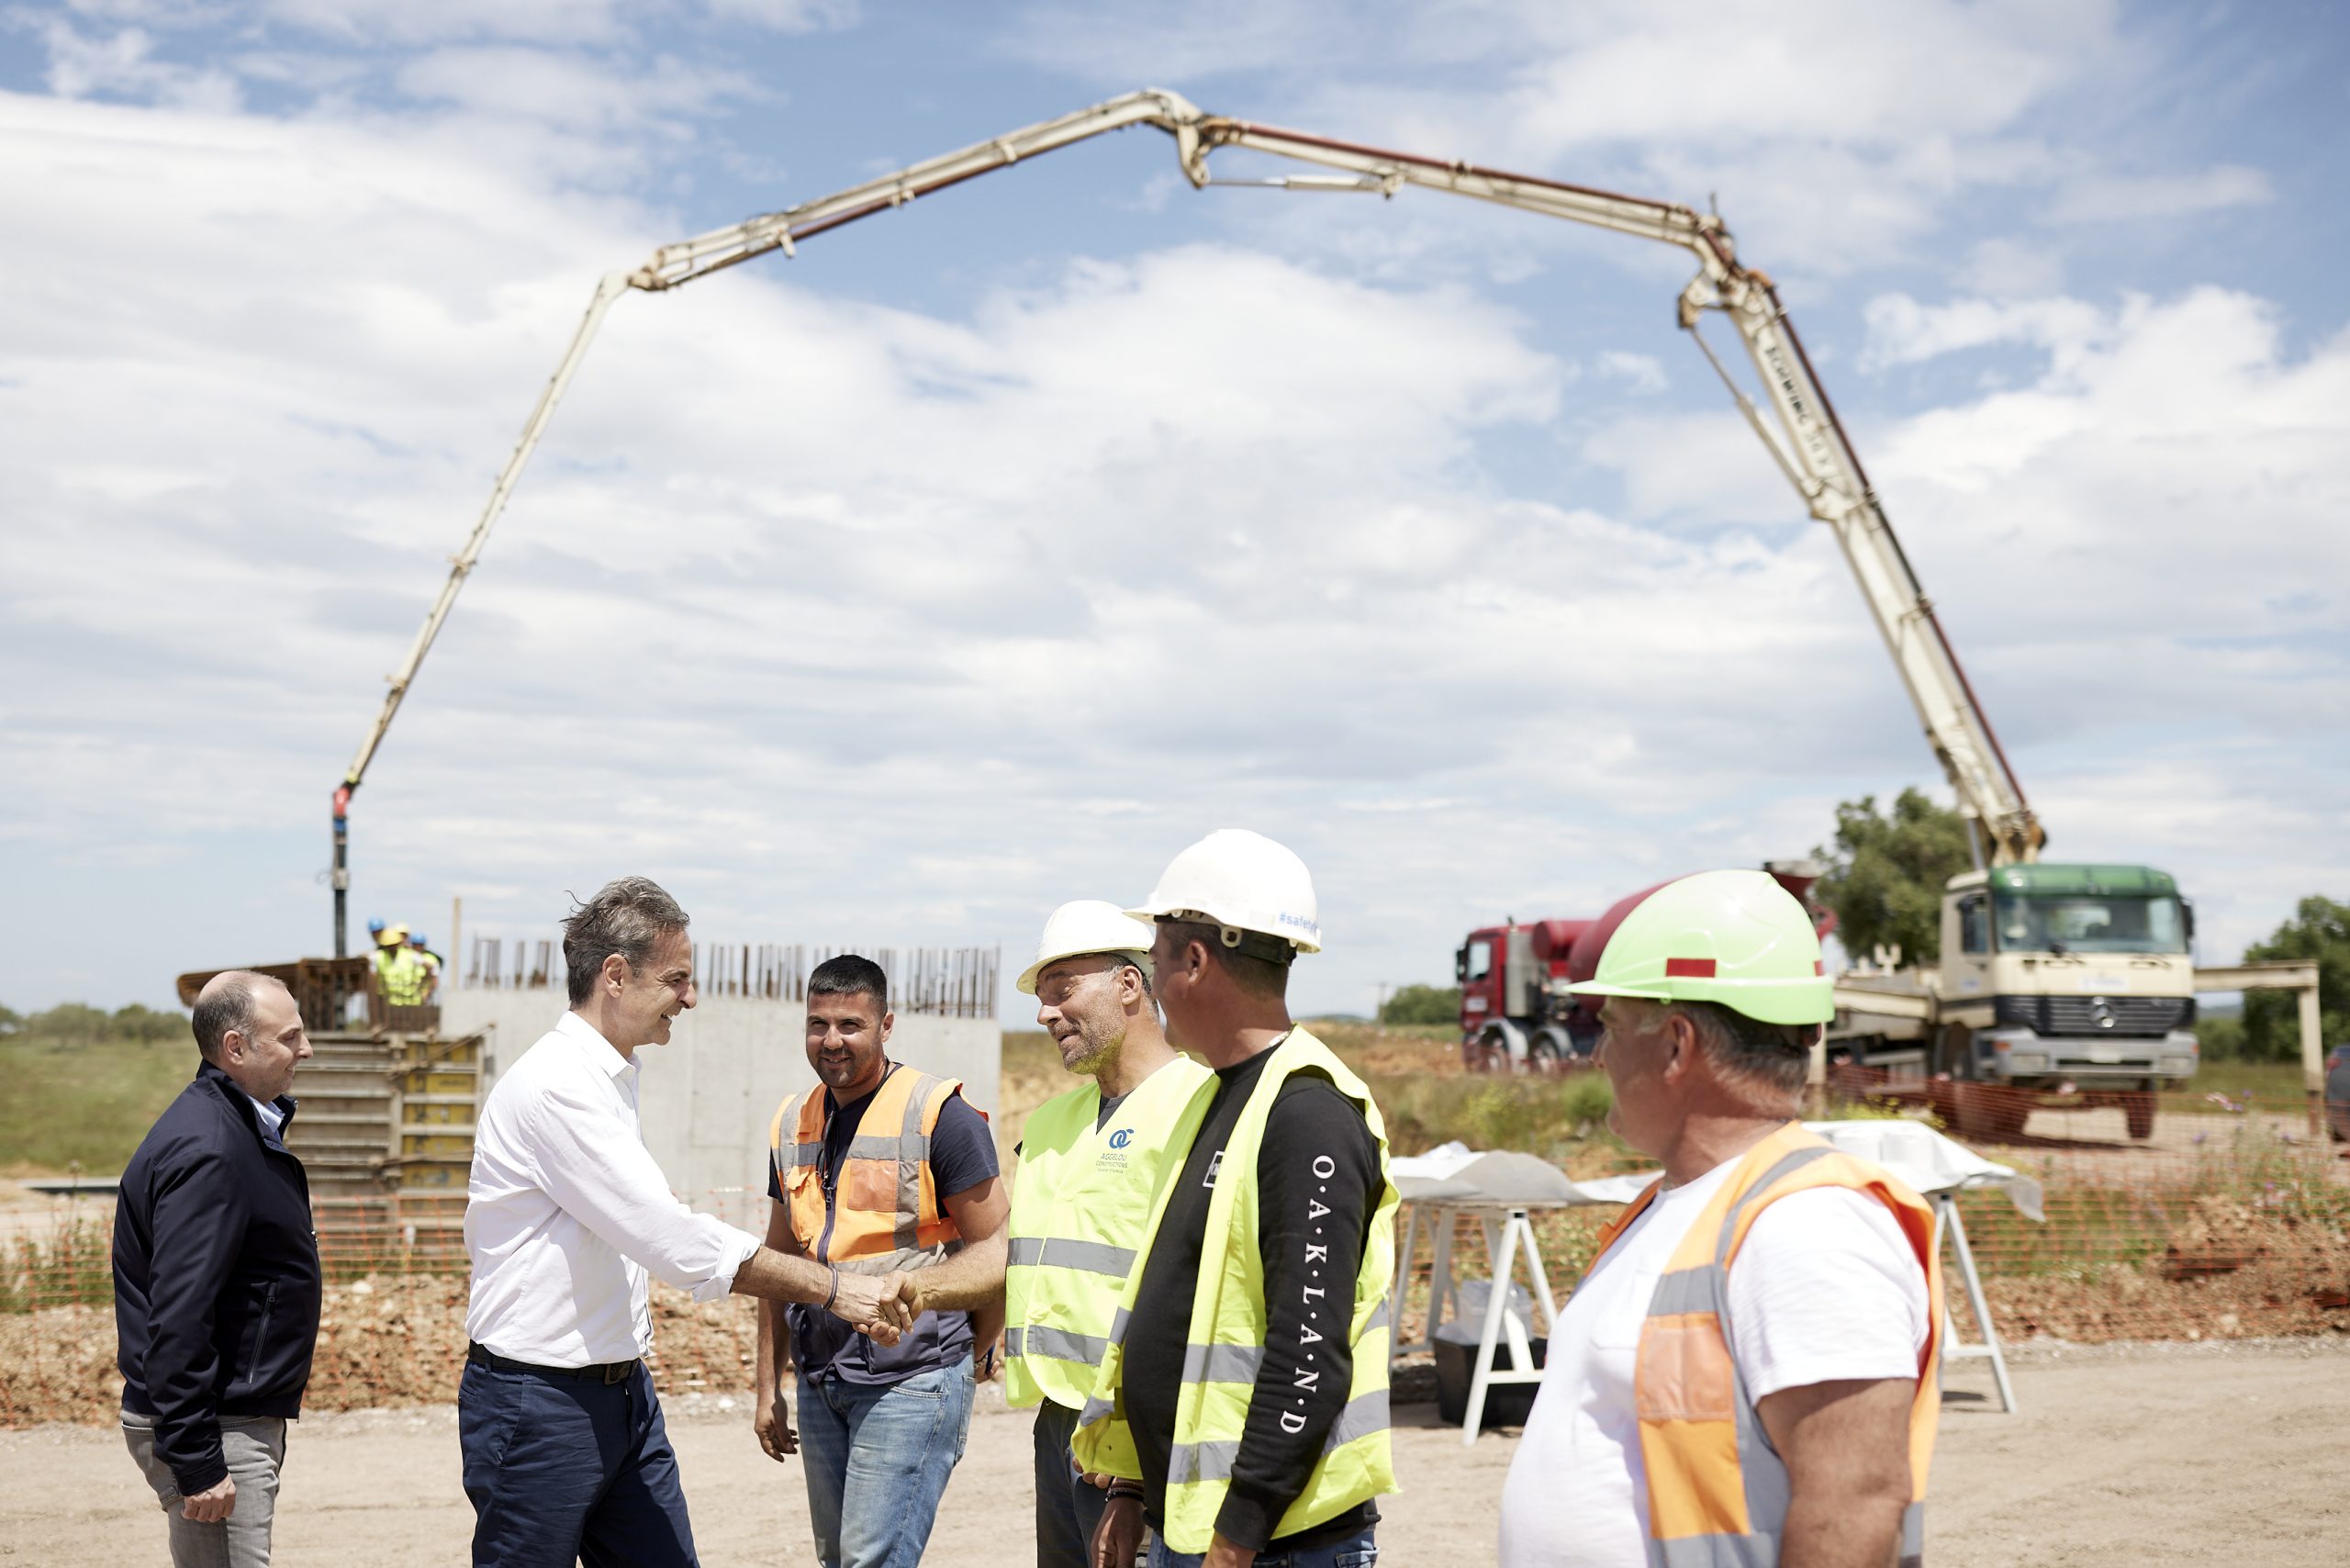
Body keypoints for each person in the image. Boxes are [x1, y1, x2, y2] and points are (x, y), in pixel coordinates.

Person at [1496, 869, 1945, 1568]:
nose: (1598, 1053)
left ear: (1677, 1044)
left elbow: (1854, 1502)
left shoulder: (1807, 1227)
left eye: (1611, 1026)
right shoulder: (1676, 1206)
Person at [462, 877, 914, 1568]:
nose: (692, 997)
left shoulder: (610, 1075)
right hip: (540, 1405)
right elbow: (669, 1239)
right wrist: (834, 1289)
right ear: (616, 976)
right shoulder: (557, 1087)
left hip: (618, 1395)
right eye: (676, 979)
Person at [1073, 829, 1399, 1568]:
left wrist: (1236, 1538)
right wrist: (1129, 1490)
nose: (1151, 987)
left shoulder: (1307, 1114)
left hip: (1273, 1546)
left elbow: (1307, 1350)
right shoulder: (1214, 1098)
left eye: (1155, 961)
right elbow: (1184, 1301)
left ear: (1195, 960)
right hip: (1192, 1526)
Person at [754, 953, 1012, 1568]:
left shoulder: (938, 1115)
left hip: (912, 1378)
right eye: (818, 1025)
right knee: (838, 1558)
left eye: (850, 1025)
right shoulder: (793, 1121)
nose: (831, 1040)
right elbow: (776, 1262)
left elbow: (998, 1248)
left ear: (886, 1024)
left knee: (872, 1560)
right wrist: (768, 1387)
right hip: (822, 1378)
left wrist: (983, 1345)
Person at [1006, 902, 1215, 1568]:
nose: (1044, 1014)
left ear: (1129, 985)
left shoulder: (1199, 1107)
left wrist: (1132, 1475)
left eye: (1062, 989)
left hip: (1145, 1423)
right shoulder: (1050, 1122)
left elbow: (1200, 1292)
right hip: (1058, 1413)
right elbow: (1026, 1249)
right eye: (1041, 998)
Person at [114, 969, 320, 1566]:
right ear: (236, 1047)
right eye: (289, 1038)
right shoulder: (212, 1150)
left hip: (223, 1410)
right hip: (216, 1421)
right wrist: (199, 1458)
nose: (304, 1050)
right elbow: (180, 1314)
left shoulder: (230, 1125)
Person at [372, 923, 431, 1007]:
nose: (391, 948)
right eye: (389, 946)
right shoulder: (379, 957)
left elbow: (430, 968)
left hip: (411, 1004)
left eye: (393, 945)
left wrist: (425, 989)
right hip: (389, 1005)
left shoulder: (411, 955)